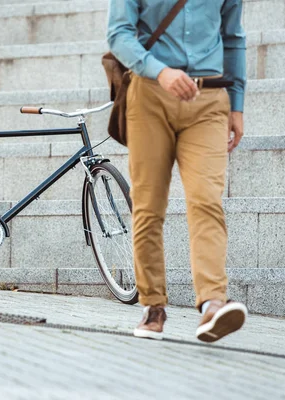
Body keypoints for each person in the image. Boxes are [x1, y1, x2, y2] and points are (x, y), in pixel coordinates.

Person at [107, 0, 248, 342]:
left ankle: (213, 303)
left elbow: (233, 38)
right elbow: (119, 34)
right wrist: (159, 71)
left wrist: (238, 103)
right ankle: (153, 306)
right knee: (148, 205)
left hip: (210, 100)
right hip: (150, 96)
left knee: (206, 200)